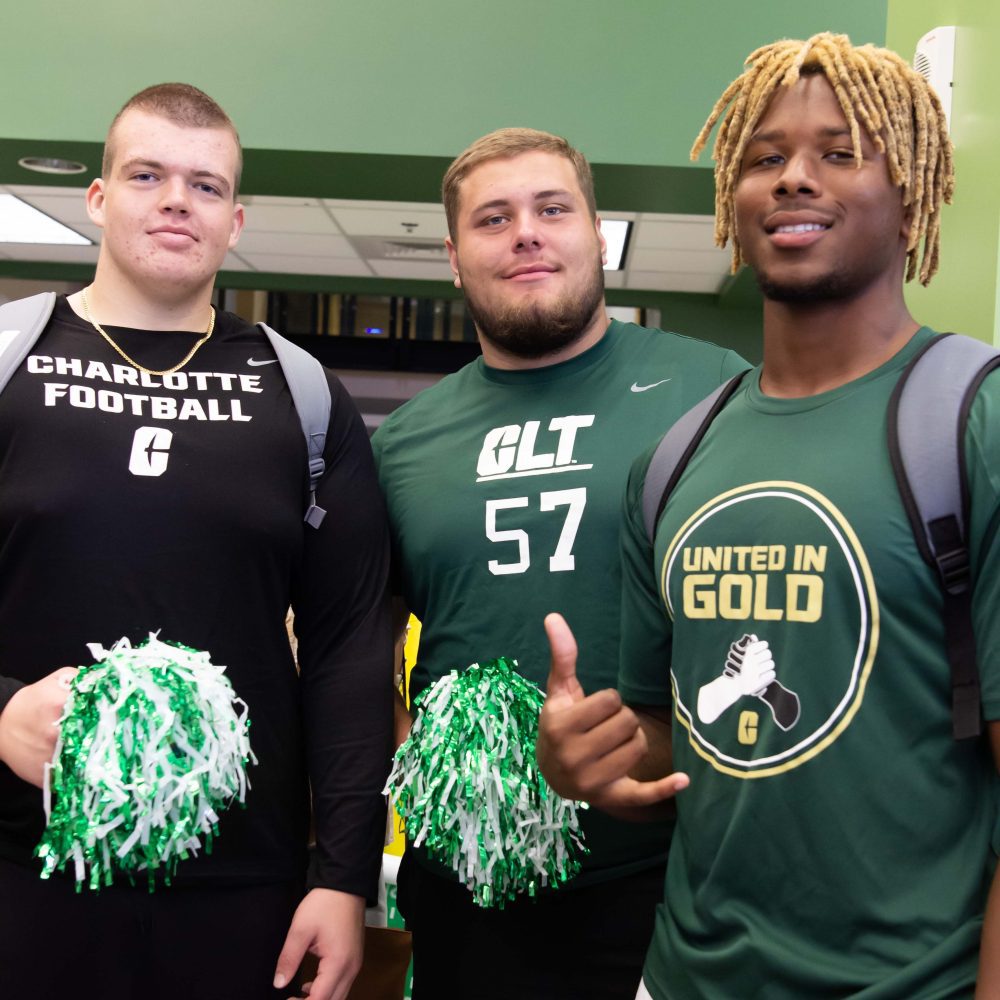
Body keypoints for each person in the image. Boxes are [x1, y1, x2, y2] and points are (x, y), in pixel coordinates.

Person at [537, 33, 1000, 999]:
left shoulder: (975, 419)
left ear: (911, 198)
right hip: (683, 976)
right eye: (764, 157)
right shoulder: (672, 463)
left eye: (840, 152)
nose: (794, 178)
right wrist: (593, 759)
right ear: (731, 204)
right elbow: (674, 737)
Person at [0, 84, 392, 1000]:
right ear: (98, 199)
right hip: (20, 867)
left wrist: (341, 875)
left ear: (235, 218)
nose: (178, 200)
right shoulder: (11, 363)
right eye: (148, 175)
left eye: (206, 186)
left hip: (239, 883)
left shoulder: (301, 397)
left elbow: (350, 647)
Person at [372, 127, 746, 999]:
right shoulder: (402, 444)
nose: (526, 234)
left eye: (551, 209)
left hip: (674, 869)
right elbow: (361, 645)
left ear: (597, 234)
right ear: (455, 259)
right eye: (493, 219)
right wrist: (420, 770)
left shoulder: (716, 386)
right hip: (474, 884)